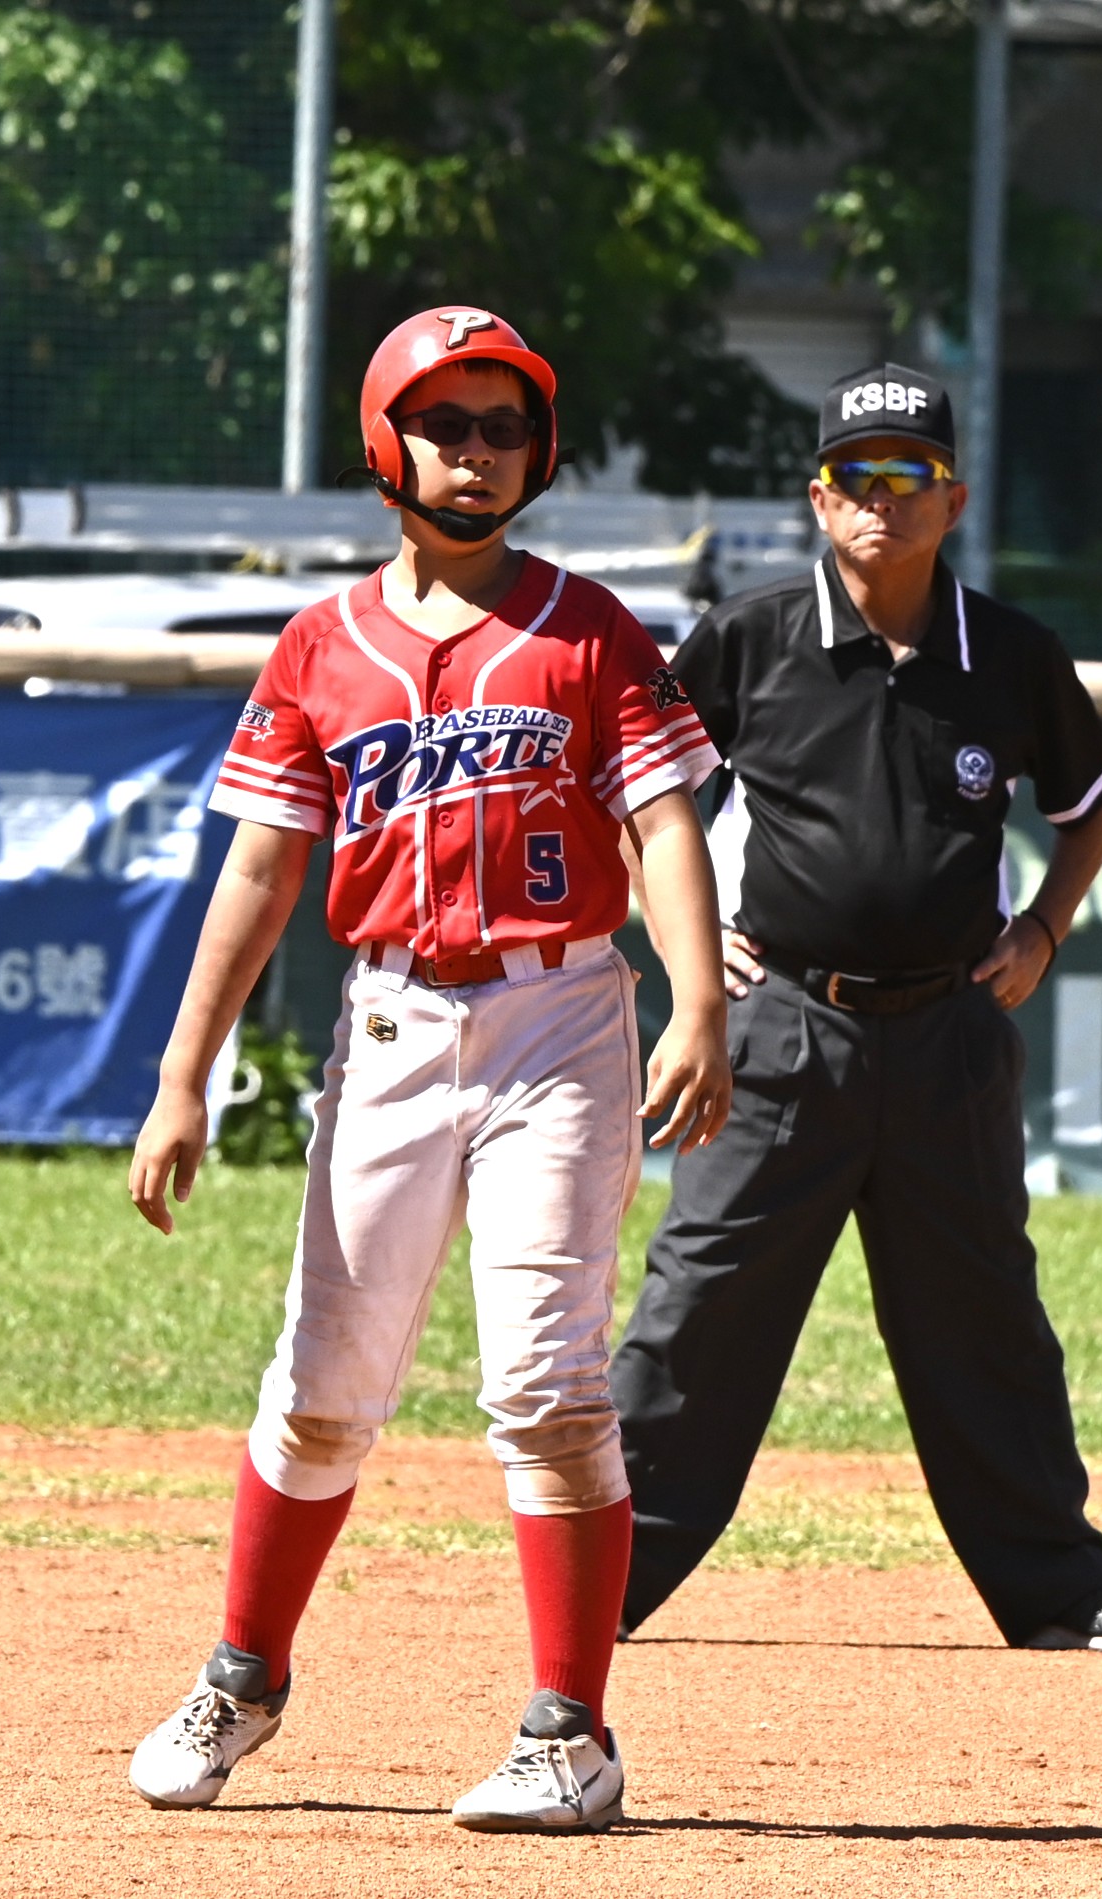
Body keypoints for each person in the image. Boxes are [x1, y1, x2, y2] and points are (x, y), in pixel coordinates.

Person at [120, 305, 732, 1834]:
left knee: (545, 1385)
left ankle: (568, 1737)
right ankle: (243, 1676)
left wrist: (697, 999)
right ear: (386, 444)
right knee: (325, 1388)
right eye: (444, 425)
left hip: (558, 1021)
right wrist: (183, 1074)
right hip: (390, 1022)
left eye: (503, 426)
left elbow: (664, 825)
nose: (475, 453)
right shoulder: (322, 644)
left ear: (540, 451)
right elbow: (261, 871)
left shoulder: (589, 630)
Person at [608, 362, 1102, 1655]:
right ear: (819, 498)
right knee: (697, 1310)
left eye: (907, 476)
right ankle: (597, 1585)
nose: (882, 500)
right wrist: (694, 964)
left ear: (951, 496)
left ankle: (1059, 1592)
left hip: (949, 1040)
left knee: (984, 1320)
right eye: (856, 477)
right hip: (781, 1031)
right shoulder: (748, 638)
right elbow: (644, 806)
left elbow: (1089, 799)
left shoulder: (1011, 654)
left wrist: (1040, 930)